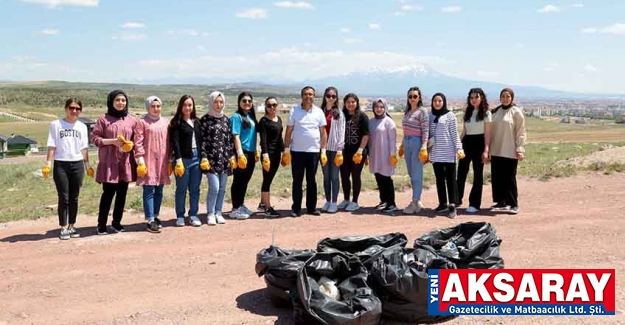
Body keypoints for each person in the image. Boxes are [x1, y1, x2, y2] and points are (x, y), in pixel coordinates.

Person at [43, 98, 93, 240]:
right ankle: (63, 227)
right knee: (63, 197)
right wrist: (48, 163)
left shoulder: (82, 127)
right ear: (66, 108)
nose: (74, 111)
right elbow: (52, 145)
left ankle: (72, 226)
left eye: (77, 108)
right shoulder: (56, 124)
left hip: (77, 164)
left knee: (74, 197)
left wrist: (87, 165)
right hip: (61, 164)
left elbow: (84, 147)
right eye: (71, 108)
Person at [91, 90, 137, 234]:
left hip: (125, 162)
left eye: (123, 100)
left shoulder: (131, 120)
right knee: (108, 194)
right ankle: (101, 224)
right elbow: (95, 139)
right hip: (109, 163)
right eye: (117, 100)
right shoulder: (103, 119)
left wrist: (130, 145)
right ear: (111, 101)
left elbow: (137, 140)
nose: (120, 103)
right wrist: (113, 142)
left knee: (122, 194)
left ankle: (116, 222)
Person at [282, 86, 328, 217]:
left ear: (314, 96)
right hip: (297, 152)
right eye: (306, 94)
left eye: (311, 94)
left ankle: (311, 208)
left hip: (314, 152)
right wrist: (286, 150)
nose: (309, 96)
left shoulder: (319, 112)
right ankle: (296, 208)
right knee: (297, 180)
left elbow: (323, 133)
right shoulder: (294, 111)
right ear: (302, 96)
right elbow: (289, 130)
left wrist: (323, 151)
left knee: (311, 180)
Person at [134, 96, 171, 233]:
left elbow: (169, 142)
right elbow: (138, 143)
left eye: (158, 106)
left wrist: (170, 160)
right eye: (153, 106)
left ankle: (156, 216)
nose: (156, 109)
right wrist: (141, 161)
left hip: (162, 161)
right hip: (148, 161)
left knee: (159, 190)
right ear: (148, 107)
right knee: (149, 190)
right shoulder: (142, 122)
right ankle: (150, 219)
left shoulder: (166, 122)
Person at [200, 91, 234, 225]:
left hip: (224, 159)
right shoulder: (205, 120)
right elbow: (201, 140)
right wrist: (204, 157)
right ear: (211, 102)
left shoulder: (226, 119)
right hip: (210, 159)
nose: (218, 105)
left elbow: (229, 140)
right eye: (216, 102)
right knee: (214, 187)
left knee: (223, 188)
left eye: (221, 102)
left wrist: (231, 156)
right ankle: (210, 213)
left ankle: (218, 212)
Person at [490, 87, 526, 215]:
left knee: (509, 178)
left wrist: (519, 148)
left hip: (510, 151)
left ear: (512, 98)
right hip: (496, 150)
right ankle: (501, 202)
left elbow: (520, 132)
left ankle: (513, 204)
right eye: (503, 96)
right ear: (500, 98)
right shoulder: (495, 112)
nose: (505, 99)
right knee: (497, 178)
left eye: (508, 96)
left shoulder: (516, 112)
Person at [428, 92, 464, 219]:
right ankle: (442, 203)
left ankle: (452, 205)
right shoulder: (430, 116)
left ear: (444, 102)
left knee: (451, 180)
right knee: (439, 180)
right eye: (435, 101)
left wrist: (459, 148)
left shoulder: (450, 116)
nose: (437, 103)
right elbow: (429, 135)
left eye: (440, 101)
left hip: (449, 153)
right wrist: (428, 152)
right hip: (436, 153)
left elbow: (454, 134)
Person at [456, 88, 492, 213]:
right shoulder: (468, 112)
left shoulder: (486, 113)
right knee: (461, 172)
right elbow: (464, 131)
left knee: (478, 175)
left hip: (479, 143)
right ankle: (456, 199)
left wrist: (486, 150)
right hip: (467, 143)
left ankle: (474, 203)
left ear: (481, 98)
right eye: (471, 98)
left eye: (476, 97)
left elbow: (488, 133)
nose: (474, 100)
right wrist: (458, 144)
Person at [170, 95, 203, 227]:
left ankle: (193, 215)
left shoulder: (197, 122)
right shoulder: (176, 123)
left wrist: (203, 156)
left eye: (190, 105)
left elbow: (201, 141)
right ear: (180, 107)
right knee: (181, 189)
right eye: (185, 105)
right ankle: (180, 215)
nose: (188, 108)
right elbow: (175, 143)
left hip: (197, 158)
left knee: (195, 189)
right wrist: (178, 161)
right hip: (182, 159)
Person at [399, 86, 430, 214]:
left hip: (417, 142)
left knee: (417, 173)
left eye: (415, 96)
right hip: (407, 142)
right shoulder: (407, 112)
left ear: (419, 98)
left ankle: (414, 202)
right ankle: (418, 200)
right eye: (410, 96)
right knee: (412, 173)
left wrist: (424, 146)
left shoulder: (422, 111)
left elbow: (425, 130)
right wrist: (402, 145)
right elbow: (405, 130)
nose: (412, 99)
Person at [337, 93, 369, 212]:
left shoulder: (362, 116)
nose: (351, 104)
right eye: (348, 102)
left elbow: (366, 135)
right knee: (344, 176)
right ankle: (346, 199)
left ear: (357, 103)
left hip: (358, 152)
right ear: (344, 103)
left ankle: (355, 201)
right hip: (344, 152)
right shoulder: (341, 116)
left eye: (353, 102)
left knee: (355, 176)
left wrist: (360, 150)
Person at [229, 92, 259, 220]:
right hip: (242, 152)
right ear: (239, 102)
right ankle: (235, 208)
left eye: (249, 101)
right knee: (238, 181)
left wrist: (257, 149)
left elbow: (254, 135)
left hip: (251, 152)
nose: (247, 103)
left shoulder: (251, 116)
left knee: (245, 181)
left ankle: (240, 204)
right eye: (244, 101)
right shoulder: (236, 117)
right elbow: (235, 135)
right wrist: (240, 153)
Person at [368, 98, 399, 214]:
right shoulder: (371, 122)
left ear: (385, 108)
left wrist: (392, 155)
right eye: (377, 107)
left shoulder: (389, 122)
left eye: (381, 107)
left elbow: (392, 140)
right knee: (379, 178)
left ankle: (391, 203)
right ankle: (384, 201)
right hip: (375, 154)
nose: (379, 109)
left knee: (386, 179)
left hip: (386, 155)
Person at [257, 96, 285, 218]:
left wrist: (285, 152)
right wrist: (265, 155)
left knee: (268, 179)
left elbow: (279, 138)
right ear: (266, 107)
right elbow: (263, 140)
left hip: (277, 154)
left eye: (274, 105)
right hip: (268, 155)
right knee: (267, 179)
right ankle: (267, 207)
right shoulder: (263, 121)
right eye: (269, 105)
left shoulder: (278, 119)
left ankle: (263, 203)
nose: (272, 107)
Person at [319, 87, 345, 214]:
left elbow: (342, 132)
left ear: (336, 98)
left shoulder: (339, 113)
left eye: (333, 96)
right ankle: (328, 200)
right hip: (323, 149)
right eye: (328, 96)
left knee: (334, 177)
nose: (331, 98)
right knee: (326, 177)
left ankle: (334, 202)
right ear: (325, 97)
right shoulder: (320, 112)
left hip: (335, 149)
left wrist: (340, 150)